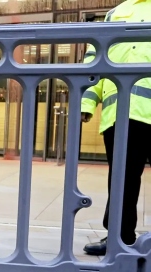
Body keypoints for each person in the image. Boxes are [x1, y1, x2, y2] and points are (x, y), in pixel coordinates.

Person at [81, 1, 151, 256]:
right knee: (122, 180)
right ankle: (119, 239)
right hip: (122, 112)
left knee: (124, 179)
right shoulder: (116, 13)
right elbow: (95, 59)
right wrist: (86, 101)